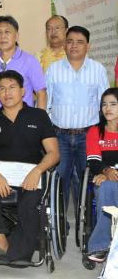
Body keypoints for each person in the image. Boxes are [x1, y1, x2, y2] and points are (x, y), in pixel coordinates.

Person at [0, 70, 59, 262]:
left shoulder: (39, 116)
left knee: (29, 202)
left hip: (32, 174)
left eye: (12, 87)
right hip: (2, 176)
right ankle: (0, 242)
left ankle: (20, 253)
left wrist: (37, 170)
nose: (7, 92)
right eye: (2, 89)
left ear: (23, 91)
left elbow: (54, 153)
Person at [46, 26, 109, 209]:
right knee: (60, 182)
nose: (74, 45)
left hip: (88, 137)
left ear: (88, 46)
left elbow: (104, 105)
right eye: (70, 41)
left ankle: (88, 224)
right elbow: (46, 104)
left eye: (80, 42)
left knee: (88, 182)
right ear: (64, 45)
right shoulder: (53, 70)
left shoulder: (97, 70)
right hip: (60, 137)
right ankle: (61, 222)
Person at [0, 15, 46, 135]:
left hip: (24, 123)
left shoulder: (30, 60)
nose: (3, 36)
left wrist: (39, 123)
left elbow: (41, 93)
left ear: (16, 36)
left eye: (7, 32)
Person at [86, 88, 118, 263]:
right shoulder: (95, 131)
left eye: (113, 104)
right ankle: (100, 246)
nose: (108, 108)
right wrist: (106, 171)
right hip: (106, 180)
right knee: (105, 185)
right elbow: (94, 161)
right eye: (104, 104)